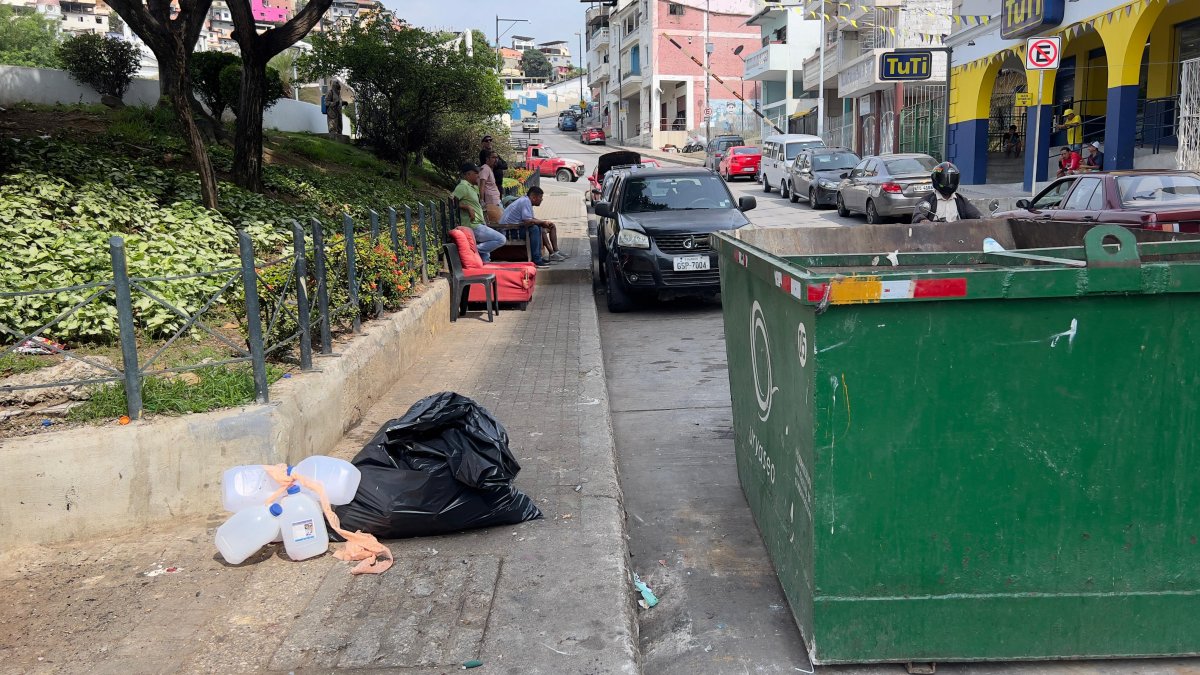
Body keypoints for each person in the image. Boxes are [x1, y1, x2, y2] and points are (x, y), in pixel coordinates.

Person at [498, 186, 568, 268]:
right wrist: (542, 222)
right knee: (534, 229)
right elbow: (528, 221)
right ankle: (537, 260)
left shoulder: (526, 201)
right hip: (508, 231)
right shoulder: (525, 202)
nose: (541, 200)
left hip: (514, 229)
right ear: (534, 197)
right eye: (540, 197)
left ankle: (545, 255)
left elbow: (530, 219)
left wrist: (543, 222)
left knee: (538, 226)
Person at [451, 163, 507, 262]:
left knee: (485, 259)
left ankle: (484, 269)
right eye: (476, 173)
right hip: (473, 225)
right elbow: (451, 201)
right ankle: (472, 249)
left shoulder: (472, 187)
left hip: (480, 223)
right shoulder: (462, 186)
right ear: (468, 174)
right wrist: (467, 207)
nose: (478, 175)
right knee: (501, 239)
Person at [912, 162, 983, 224]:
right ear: (936, 179)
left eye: (953, 180)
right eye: (944, 180)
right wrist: (923, 221)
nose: (949, 183)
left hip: (957, 237)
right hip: (934, 237)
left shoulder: (961, 201)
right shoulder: (927, 201)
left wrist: (985, 219)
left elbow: (977, 216)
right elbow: (917, 216)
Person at [478, 151, 503, 224]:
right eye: (493, 157)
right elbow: (482, 185)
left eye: (497, 157)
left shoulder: (489, 169)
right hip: (492, 202)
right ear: (487, 159)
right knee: (499, 224)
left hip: (496, 201)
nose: (496, 160)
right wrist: (481, 201)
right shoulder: (485, 168)